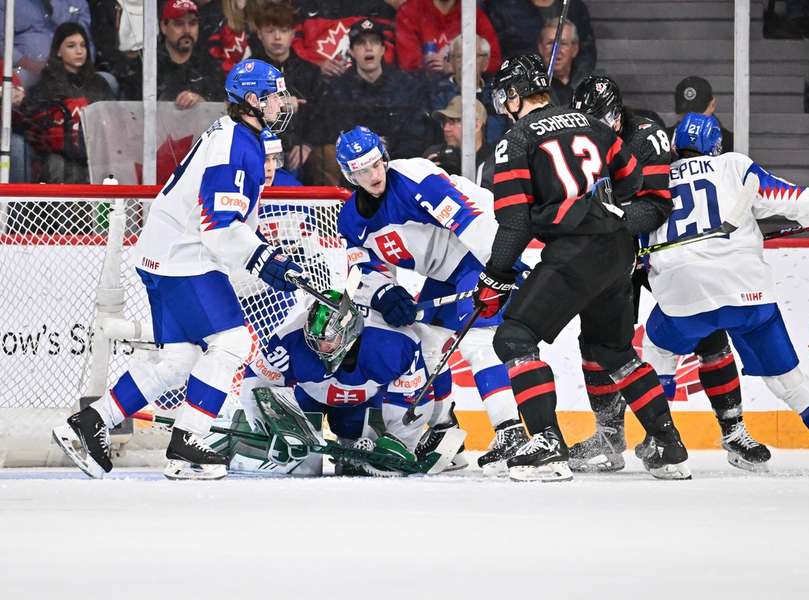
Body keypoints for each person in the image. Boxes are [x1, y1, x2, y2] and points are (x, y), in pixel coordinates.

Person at [52, 58, 307, 480]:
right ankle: (188, 440)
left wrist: (262, 256)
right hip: (183, 258)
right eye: (275, 95)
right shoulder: (235, 144)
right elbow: (219, 228)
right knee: (233, 343)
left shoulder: (238, 136)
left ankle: (90, 422)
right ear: (251, 101)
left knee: (178, 359)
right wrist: (265, 260)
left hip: (166, 253)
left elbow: (225, 226)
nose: (283, 102)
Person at [474, 54, 691, 482]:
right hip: (619, 254)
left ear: (517, 95)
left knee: (514, 337)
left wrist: (494, 275)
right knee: (614, 352)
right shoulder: (594, 125)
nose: (501, 104)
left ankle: (547, 445)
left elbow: (515, 222)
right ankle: (668, 446)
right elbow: (631, 183)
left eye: (504, 95)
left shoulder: (515, 140)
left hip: (575, 254)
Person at [641, 113, 809, 475]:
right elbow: (791, 199)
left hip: (684, 294)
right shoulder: (734, 166)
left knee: (659, 348)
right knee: (789, 380)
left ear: (674, 146)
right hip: (748, 293)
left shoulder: (654, 178)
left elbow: (641, 237)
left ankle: (661, 441)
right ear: (717, 145)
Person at [566, 75, 771, 473]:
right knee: (595, 341)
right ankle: (608, 439)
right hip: (614, 253)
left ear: (616, 114)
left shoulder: (648, 137)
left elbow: (656, 203)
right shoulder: (577, 142)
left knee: (709, 333)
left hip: (661, 251)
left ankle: (734, 431)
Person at [334, 125, 528, 475]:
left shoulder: (415, 177)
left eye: (376, 164)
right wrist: (385, 292)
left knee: (479, 341)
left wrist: (502, 265)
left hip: (476, 252)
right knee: (425, 345)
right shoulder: (350, 219)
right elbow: (362, 267)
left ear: (385, 158)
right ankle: (445, 433)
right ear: (349, 175)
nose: (373, 175)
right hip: (441, 272)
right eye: (362, 171)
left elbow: (471, 221)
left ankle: (510, 433)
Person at [229, 290, 434, 476]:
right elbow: (257, 380)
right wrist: (268, 425)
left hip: (362, 404)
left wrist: (401, 441)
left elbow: (413, 395)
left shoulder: (394, 344)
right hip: (308, 399)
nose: (321, 347)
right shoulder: (290, 339)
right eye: (315, 340)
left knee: (361, 467)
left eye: (328, 340)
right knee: (301, 467)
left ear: (349, 331)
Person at [305, 18, 432, 184]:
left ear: (383, 49)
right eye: (361, 43)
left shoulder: (405, 85)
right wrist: (365, 145)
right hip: (353, 167)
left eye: (374, 42)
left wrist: (388, 148)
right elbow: (328, 132)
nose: (368, 47)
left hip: (399, 160)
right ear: (350, 51)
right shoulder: (337, 89)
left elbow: (416, 132)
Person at [22, 22, 114, 185]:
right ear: (58, 51)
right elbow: (35, 130)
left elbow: (113, 122)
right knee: (56, 165)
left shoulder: (99, 83)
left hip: (95, 155)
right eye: (71, 46)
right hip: (57, 158)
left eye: (83, 45)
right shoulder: (45, 85)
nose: (79, 51)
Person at [252, 1, 321, 179]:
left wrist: (307, 145)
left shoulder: (310, 72)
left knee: (323, 156)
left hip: (298, 149)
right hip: (257, 146)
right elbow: (238, 111)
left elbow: (323, 114)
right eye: (270, 31)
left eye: (283, 31)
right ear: (259, 33)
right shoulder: (247, 72)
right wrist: (280, 104)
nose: (277, 37)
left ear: (292, 34)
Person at [486, 0, 596, 87]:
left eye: (563, 43)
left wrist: (573, 87)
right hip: (521, 87)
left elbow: (586, 53)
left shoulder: (574, 6)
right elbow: (494, 56)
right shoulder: (503, 7)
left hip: (568, 85)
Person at [430, 34, 509, 147]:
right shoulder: (438, 95)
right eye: (459, 57)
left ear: (486, 63)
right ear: (451, 61)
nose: (466, 63)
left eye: (473, 56)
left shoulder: (498, 95)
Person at [0, 0, 92, 89]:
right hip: (27, 71)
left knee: (105, 79)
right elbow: (1, 43)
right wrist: (27, 63)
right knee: (9, 88)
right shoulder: (7, 2)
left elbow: (88, 42)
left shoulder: (77, 2)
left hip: (71, 71)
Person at [394, 0, 501, 75]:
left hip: (466, 91)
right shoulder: (409, 11)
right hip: (422, 92)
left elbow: (494, 61)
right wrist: (426, 65)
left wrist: (457, 66)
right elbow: (408, 64)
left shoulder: (474, 15)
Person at [157, 0, 224, 108]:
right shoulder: (150, 66)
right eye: (179, 23)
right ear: (164, 27)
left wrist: (203, 104)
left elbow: (223, 111)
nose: (187, 30)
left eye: (192, 23)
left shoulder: (211, 66)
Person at [423, 96, 494, 188]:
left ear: (476, 125)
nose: (446, 129)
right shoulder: (435, 155)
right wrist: (424, 175)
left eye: (453, 122)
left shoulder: (494, 162)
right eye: (444, 122)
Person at [666, 76, 733, 153]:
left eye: (697, 113)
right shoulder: (664, 140)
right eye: (686, 113)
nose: (691, 119)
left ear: (712, 105)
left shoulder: (729, 143)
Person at [537, 17, 580, 106]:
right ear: (540, 48)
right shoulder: (533, 91)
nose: (556, 50)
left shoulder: (587, 83)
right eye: (550, 43)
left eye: (563, 43)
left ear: (575, 49)